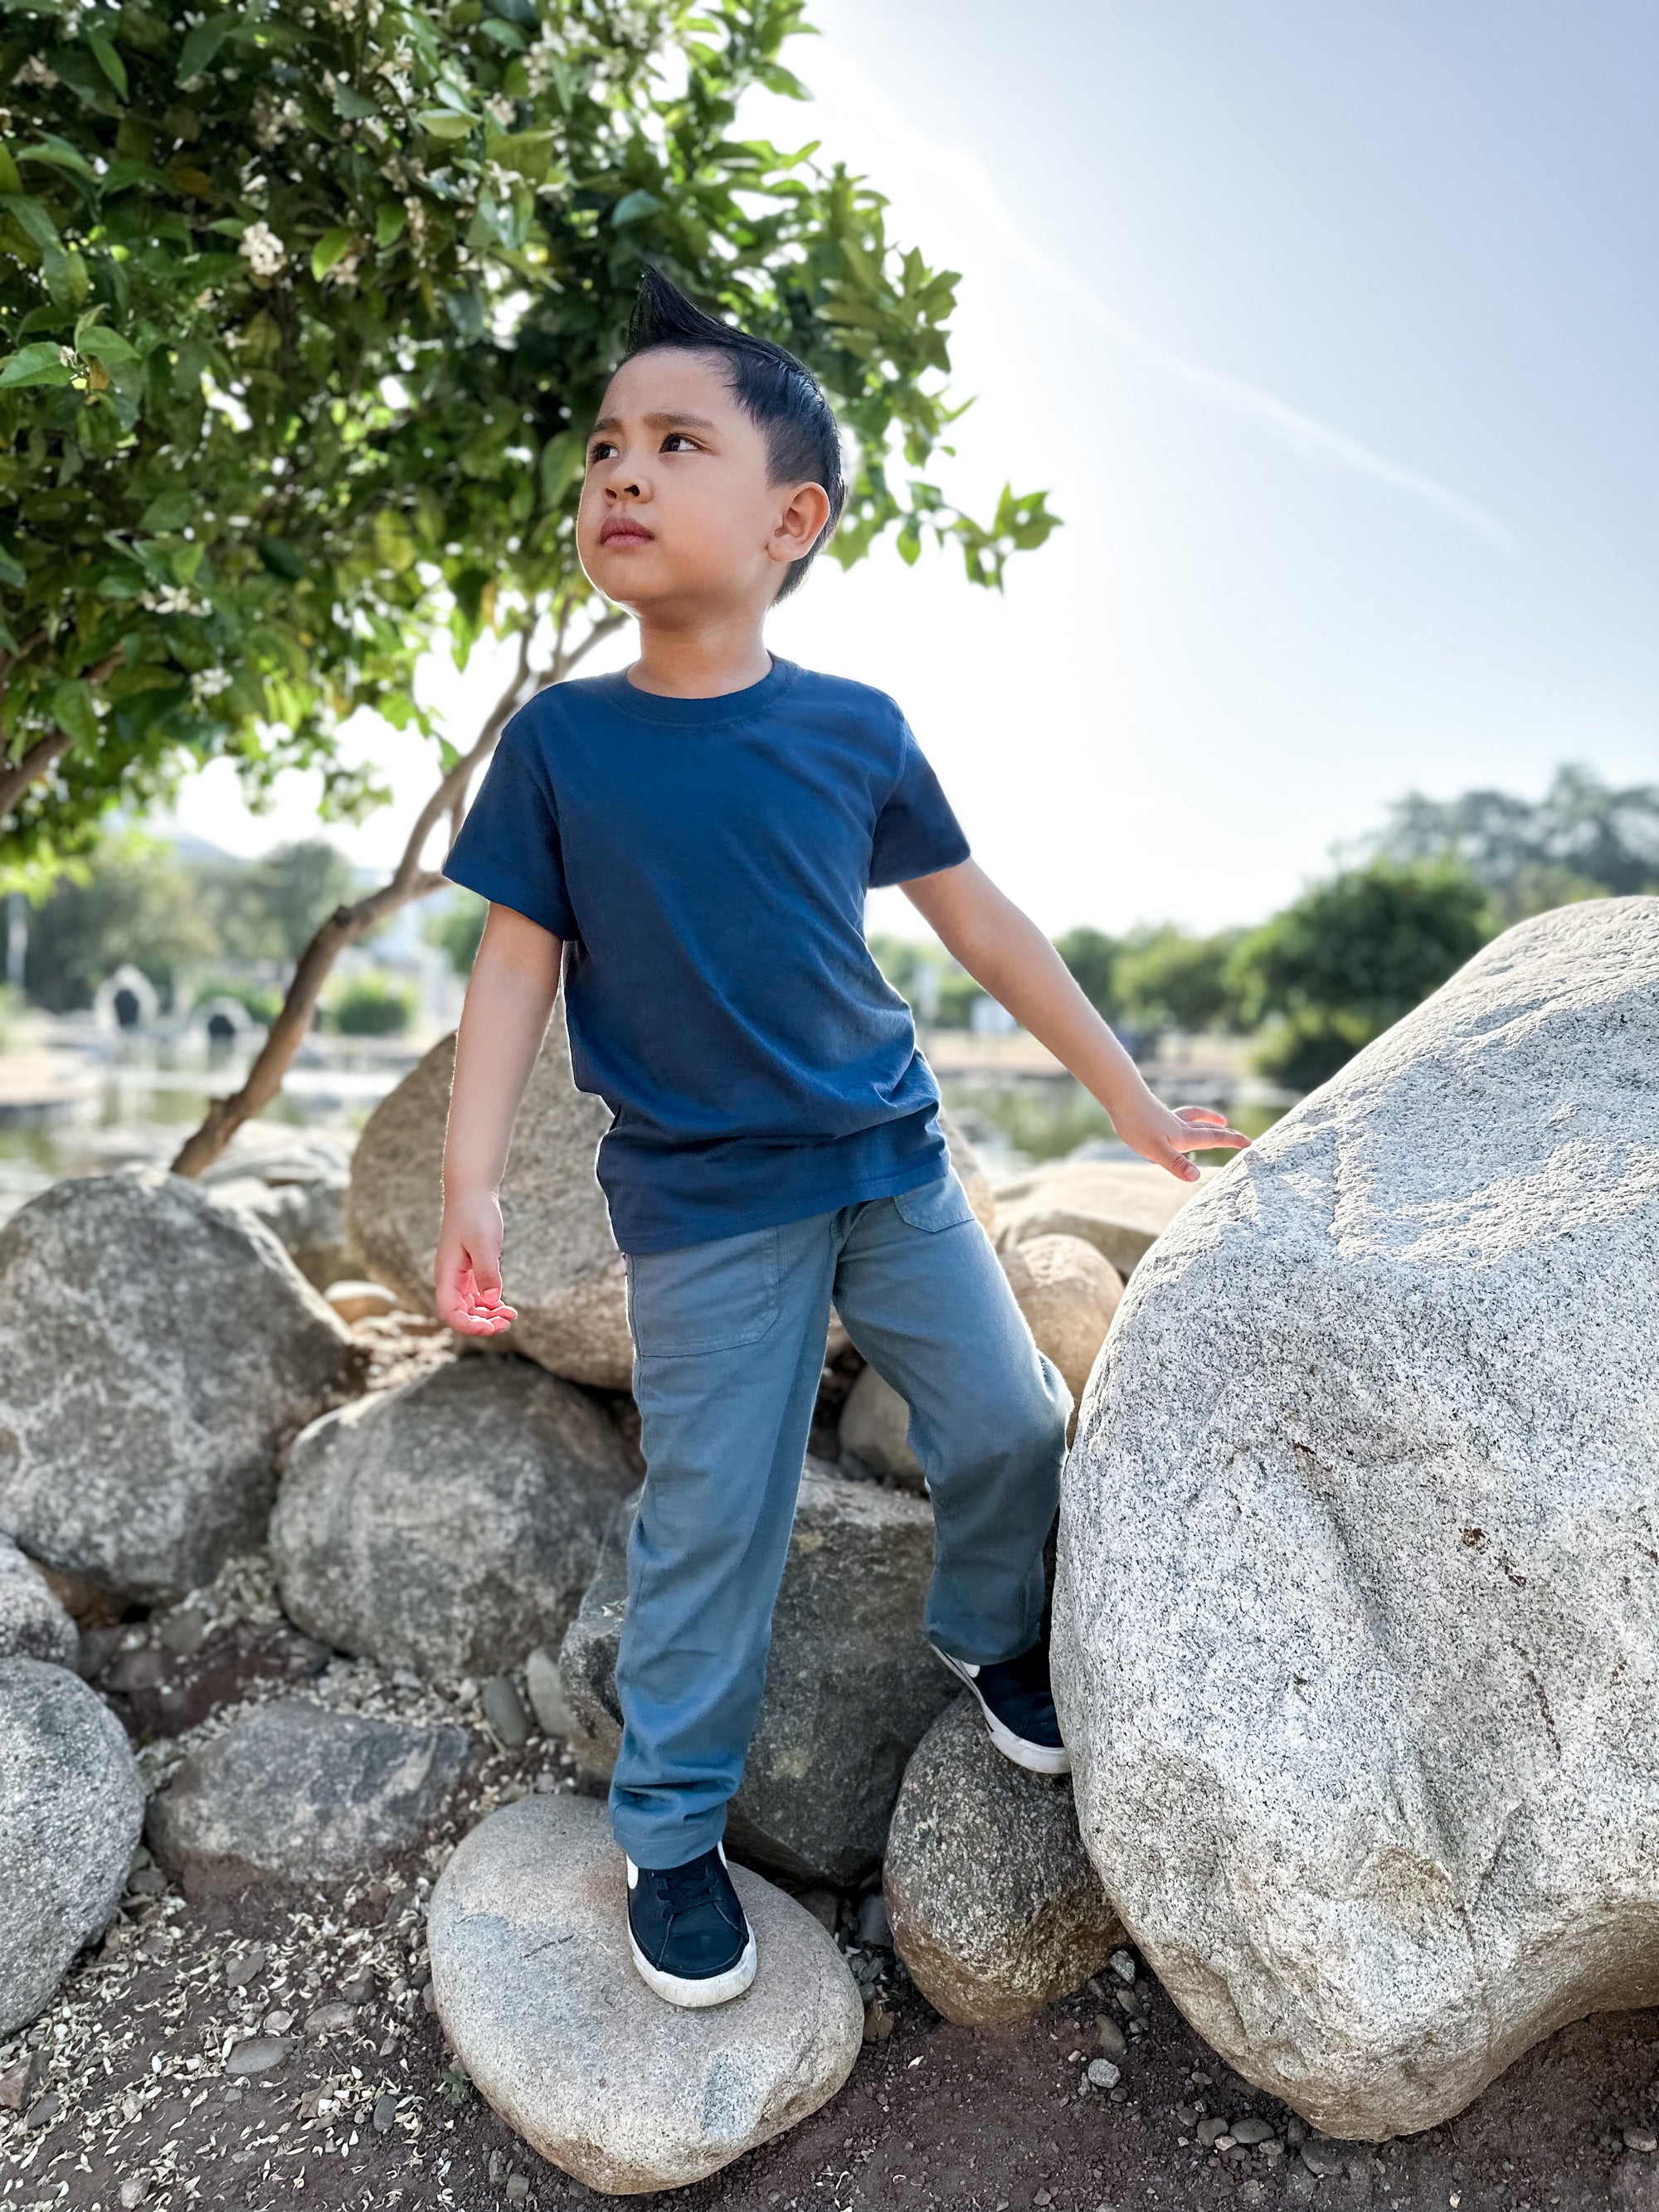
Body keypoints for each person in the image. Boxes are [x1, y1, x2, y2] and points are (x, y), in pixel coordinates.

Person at [436, 270, 1248, 2010]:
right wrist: (471, 1175)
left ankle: (981, 1623)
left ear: (790, 517)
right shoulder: (563, 744)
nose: (619, 477)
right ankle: (668, 1825)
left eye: (673, 443)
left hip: (888, 1155)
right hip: (704, 1207)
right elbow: (513, 963)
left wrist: (1121, 1094)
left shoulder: (853, 727)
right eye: (603, 448)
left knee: (1013, 1417)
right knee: (717, 1515)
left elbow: (983, 923)